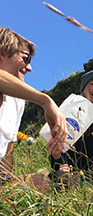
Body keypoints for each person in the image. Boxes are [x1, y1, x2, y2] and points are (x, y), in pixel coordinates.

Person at [0, 27, 67, 176]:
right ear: (2, 55)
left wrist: (9, 186)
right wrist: (45, 100)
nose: (29, 68)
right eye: (26, 59)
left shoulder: (17, 101)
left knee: (62, 180)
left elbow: (7, 152)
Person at [47, 69, 93, 183]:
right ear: (85, 88)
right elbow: (60, 163)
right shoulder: (69, 118)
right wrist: (57, 157)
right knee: (43, 178)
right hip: (69, 177)